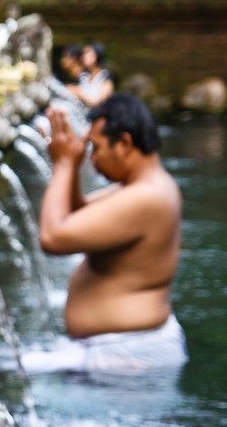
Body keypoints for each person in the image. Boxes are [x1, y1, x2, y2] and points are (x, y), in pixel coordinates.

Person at [24, 93, 187, 374]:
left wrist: (63, 165)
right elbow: (78, 216)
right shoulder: (144, 189)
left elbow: (53, 237)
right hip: (121, 350)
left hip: (128, 356)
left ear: (124, 143)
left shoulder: (147, 197)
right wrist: (69, 166)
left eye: (95, 148)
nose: (93, 159)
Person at [67, 42, 114, 107]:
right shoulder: (83, 75)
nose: (83, 56)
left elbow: (100, 102)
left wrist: (80, 94)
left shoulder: (105, 76)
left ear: (97, 55)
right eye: (83, 53)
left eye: (88, 53)